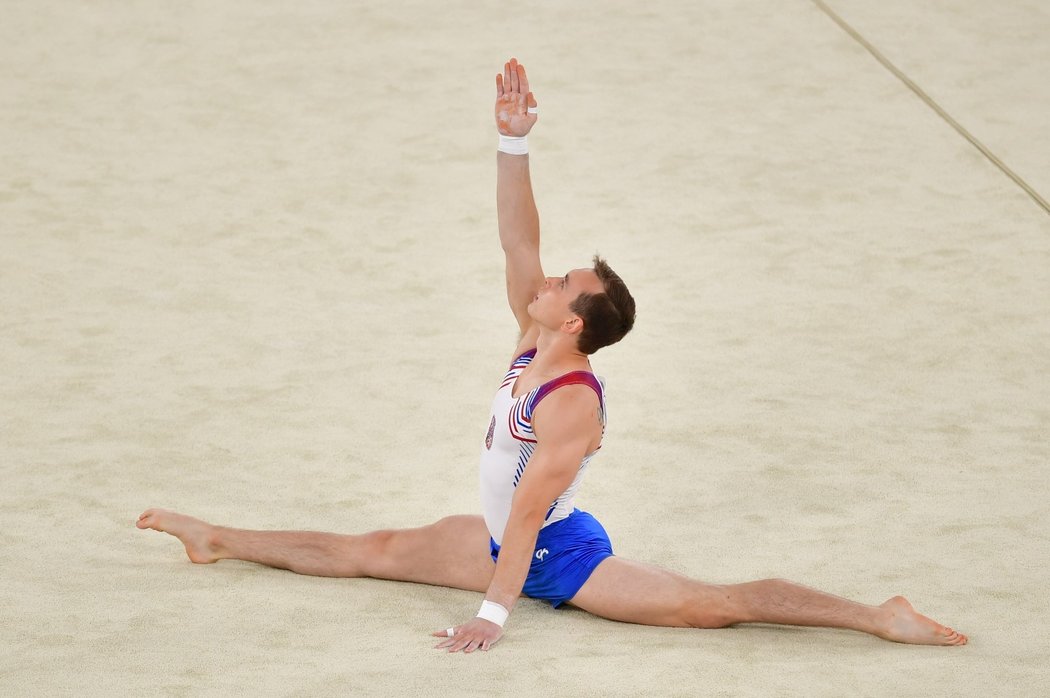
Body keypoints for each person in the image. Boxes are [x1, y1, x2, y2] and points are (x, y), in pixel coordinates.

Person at [137, 57, 967, 652]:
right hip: (498, 542)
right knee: (368, 550)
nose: (544, 281)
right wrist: (513, 143)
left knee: (713, 607)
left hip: (559, 556)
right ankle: (218, 538)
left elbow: (531, 515)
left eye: (560, 284)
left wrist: (492, 618)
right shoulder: (536, 336)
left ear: (575, 323)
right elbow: (516, 236)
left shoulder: (572, 402)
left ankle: (876, 615)